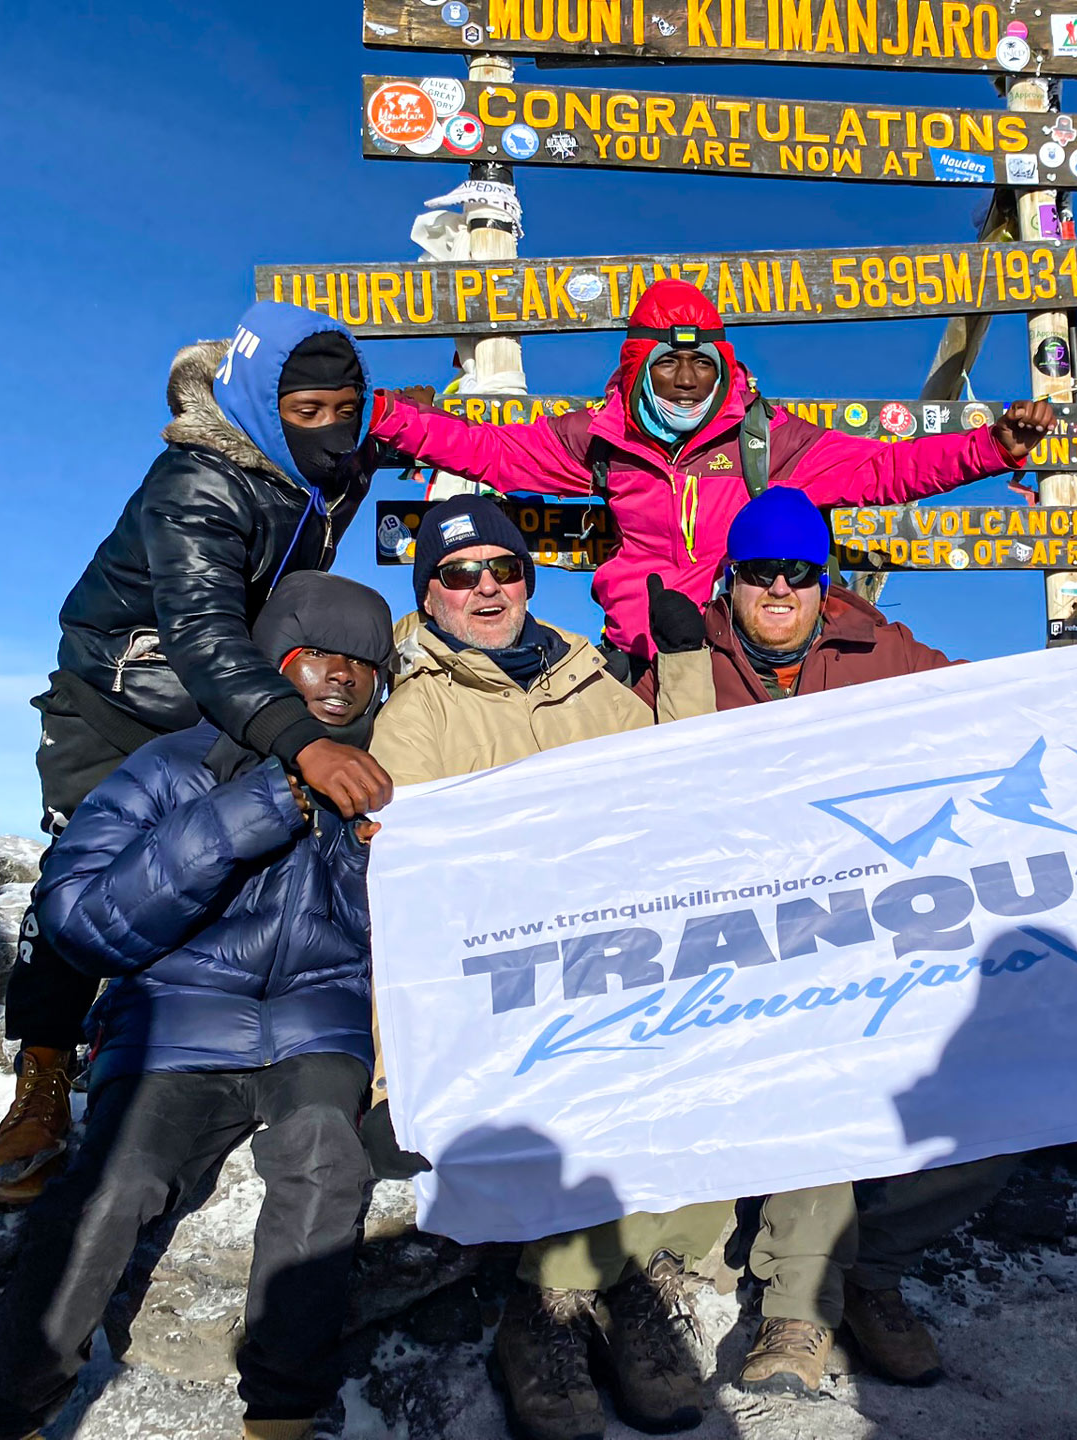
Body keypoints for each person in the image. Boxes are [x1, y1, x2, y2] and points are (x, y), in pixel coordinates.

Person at [0, 572, 395, 1440]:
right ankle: (2, 1415)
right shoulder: (172, 764)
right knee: (114, 1185)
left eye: (363, 665)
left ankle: (285, 1413)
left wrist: (365, 854)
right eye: (315, 657)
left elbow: (391, 941)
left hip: (320, 1023)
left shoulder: (390, 785)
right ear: (271, 664)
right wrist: (254, 809)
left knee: (325, 1162)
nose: (339, 678)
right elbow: (78, 922)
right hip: (175, 1022)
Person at [0, 301, 395, 1206]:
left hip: (230, 702)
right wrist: (306, 744)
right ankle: (44, 1074)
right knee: (76, 879)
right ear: (259, 403)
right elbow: (207, 636)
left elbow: (360, 473)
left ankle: (202, 1046)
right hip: (122, 699)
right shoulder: (198, 482)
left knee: (237, 862)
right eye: (309, 412)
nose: (333, 429)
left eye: (346, 408)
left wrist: (401, 440)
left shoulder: (313, 466)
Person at [636, 486, 1017, 1396]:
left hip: (871, 934)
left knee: (1014, 1091)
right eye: (760, 572)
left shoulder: (881, 652)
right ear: (731, 579)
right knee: (813, 1060)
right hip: (732, 949)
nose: (779, 588)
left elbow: (1000, 707)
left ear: (822, 579)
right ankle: (799, 1311)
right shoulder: (680, 663)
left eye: (799, 573)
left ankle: (866, 1267)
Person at [362, 494, 725, 1440]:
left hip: (622, 953)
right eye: (458, 574)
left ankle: (603, 1291)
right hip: (504, 980)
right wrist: (393, 1058)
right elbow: (412, 891)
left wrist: (683, 668)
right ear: (428, 594)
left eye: (504, 569)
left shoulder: (597, 687)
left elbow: (676, 786)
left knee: (705, 1060)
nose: (486, 587)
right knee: (577, 1082)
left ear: (528, 578)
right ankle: (551, 1314)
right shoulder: (417, 710)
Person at [362, 278, 1055, 668]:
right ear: (639, 367)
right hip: (638, 658)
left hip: (736, 655)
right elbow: (498, 454)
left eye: (702, 363)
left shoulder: (766, 440)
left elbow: (884, 469)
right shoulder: (604, 438)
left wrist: (993, 447)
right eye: (668, 362)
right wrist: (389, 418)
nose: (688, 380)